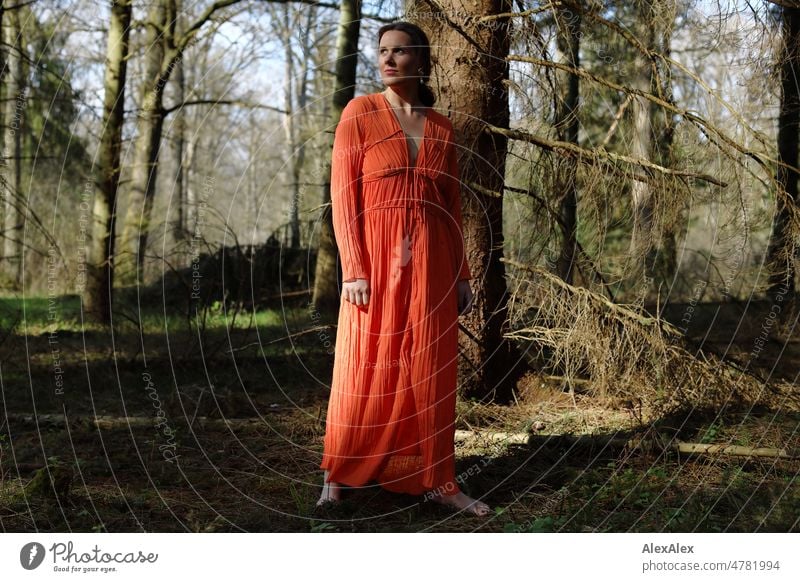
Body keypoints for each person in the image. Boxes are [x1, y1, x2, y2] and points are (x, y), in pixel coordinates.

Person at [317, 21, 491, 518]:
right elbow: (343, 195)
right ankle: (337, 477)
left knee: (430, 371)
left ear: (421, 59)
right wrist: (353, 266)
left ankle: (438, 480)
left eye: (400, 51)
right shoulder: (360, 113)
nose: (388, 59)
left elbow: (452, 206)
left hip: (433, 264)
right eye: (382, 51)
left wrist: (461, 274)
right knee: (363, 363)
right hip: (374, 262)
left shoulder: (442, 127)